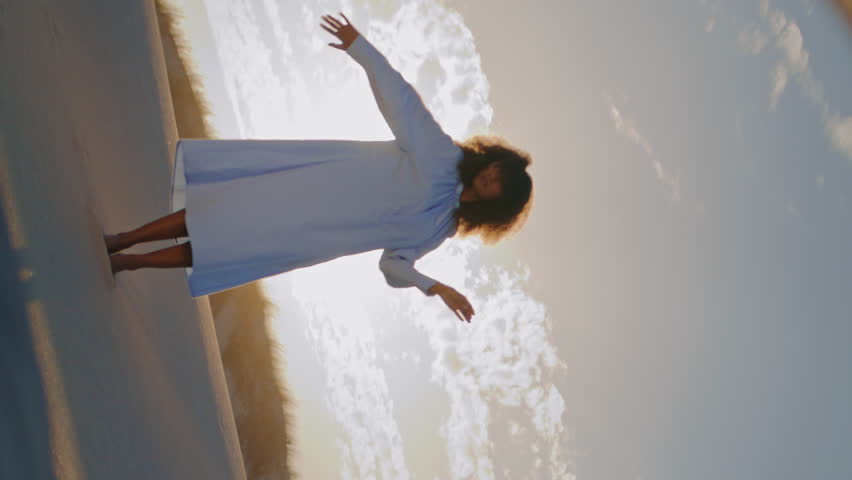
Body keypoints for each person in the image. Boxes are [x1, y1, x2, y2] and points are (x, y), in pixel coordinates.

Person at [105, 13, 533, 323]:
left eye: (501, 184)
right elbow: (403, 102)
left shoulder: (439, 229)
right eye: (498, 168)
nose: (493, 176)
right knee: (222, 211)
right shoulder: (442, 156)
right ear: (490, 159)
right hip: (312, 186)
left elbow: (394, 265)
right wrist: (361, 49)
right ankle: (127, 239)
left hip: (313, 236)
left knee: (226, 246)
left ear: (498, 204)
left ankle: (134, 264)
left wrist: (432, 286)